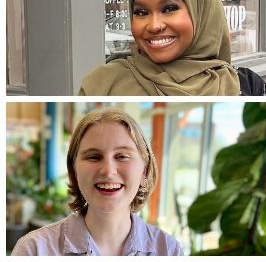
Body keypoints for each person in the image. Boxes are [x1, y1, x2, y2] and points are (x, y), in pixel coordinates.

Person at [11, 109, 182, 255]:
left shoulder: (169, 250)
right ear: (74, 171)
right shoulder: (34, 250)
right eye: (94, 157)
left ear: (144, 170)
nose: (108, 171)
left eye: (122, 156)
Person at [79, 0, 244, 96]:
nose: (154, 25)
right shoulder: (102, 85)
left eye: (169, 8)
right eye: (141, 12)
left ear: (200, 10)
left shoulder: (245, 86)